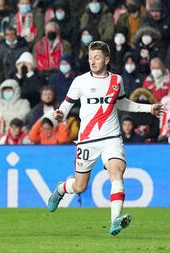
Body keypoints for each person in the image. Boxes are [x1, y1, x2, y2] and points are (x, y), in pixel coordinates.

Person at [47, 41, 163, 236]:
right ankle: (60, 189)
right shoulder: (80, 81)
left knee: (116, 173)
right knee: (79, 186)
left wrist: (148, 108)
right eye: (90, 58)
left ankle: (114, 221)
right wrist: (60, 114)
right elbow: (66, 106)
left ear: (107, 59)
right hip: (87, 140)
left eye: (97, 57)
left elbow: (122, 103)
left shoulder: (116, 80)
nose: (92, 61)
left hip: (111, 137)